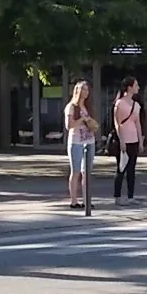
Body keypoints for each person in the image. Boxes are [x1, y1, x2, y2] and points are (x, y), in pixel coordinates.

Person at [64, 80, 97, 209]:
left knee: (87, 172)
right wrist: (82, 119)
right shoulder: (71, 106)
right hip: (76, 141)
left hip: (89, 141)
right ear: (77, 91)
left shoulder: (88, 107)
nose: (85, 92)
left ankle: (87, 200)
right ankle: (73, 201)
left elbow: (94, 125)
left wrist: (91, 122)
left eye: (87, 90)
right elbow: (69, 125)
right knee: (76, 171)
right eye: (83, 89)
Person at [112, 76, 143, 202]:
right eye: (136, 85)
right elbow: (117, 123)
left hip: (134, 139)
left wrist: (140, 140)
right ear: (129, 87)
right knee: (121, 168)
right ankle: (117, 196)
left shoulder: (136, 105)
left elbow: (138, 123)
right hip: (123, 140)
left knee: (132, 169)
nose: (138, 88)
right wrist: (122, 141)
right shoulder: (119, 103)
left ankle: (131, 196)